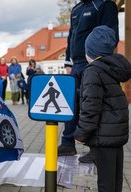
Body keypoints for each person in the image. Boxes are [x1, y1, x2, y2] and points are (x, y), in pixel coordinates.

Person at [74, 25, 131, 192]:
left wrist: (81, 133)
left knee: (105, 178)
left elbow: (91, 107)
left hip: (102, 133)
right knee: (115, 175)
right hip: (116, 132)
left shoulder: (93, 71)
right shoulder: (111, 68)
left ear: (91, 52)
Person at [58, 0, 119, 163]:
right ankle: (67, 143)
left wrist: (99, 62)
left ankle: (96, 148)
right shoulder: (76, 9)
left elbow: (111, 35)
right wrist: (68, 62)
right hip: (75, 65)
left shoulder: (105, 5)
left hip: (93, 63)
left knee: (93, 104)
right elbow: (71, 37)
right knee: (71, 104)